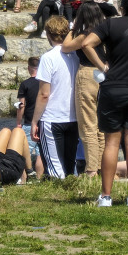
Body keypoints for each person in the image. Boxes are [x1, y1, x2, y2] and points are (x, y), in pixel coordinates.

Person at [62, 0, 128, 206]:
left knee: (111, 142)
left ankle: (106, 196)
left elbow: (87, 44)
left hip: (114, 88)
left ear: (122, 8)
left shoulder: (111, 24)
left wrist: (103, 67)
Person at [32, 16, 80, 179]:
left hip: (52, 117)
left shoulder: (48, 57)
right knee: (70, 165)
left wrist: (34, 121)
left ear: (48, 34)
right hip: (73, 117)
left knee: (55, 167)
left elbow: (44, 94)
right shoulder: (76, 55)